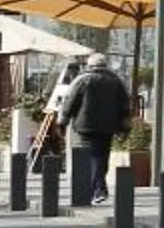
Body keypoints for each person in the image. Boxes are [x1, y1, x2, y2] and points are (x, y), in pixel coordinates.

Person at [51, 53, 132, 208]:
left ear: (89, 65)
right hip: (108, 126)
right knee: (102, 156)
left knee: (91, 156)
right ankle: (98, 188)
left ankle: (98, 189)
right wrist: (125, 127)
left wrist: (62, 123)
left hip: (85, 126)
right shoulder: (116, 81)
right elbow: (124, 105)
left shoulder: (82, 80)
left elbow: (70, 102)